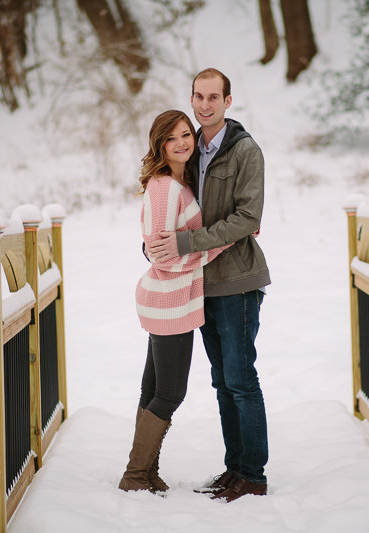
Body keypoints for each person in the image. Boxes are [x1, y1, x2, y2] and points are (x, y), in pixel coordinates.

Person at [149, 68, 271, 502]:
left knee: (241, 379)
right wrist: (154, 245)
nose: (205, 105)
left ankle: (253, 476)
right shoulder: (190, 150)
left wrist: (182, 243)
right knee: (222, 382)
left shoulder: (245, 151)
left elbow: (247, 218)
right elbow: (171, 209)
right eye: (198, 96)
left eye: (213, 97)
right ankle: (234, 468)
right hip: (201, 281)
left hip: (237, 279)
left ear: (228, 100)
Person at [119, 109, 230, 493]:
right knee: (170, 393)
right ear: (160, 146)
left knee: (152, 390)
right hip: (169, 302)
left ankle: (144, 472)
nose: (182, 142)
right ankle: (135, 475)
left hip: (168, 301)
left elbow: (162, 247)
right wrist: (223, 242)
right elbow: (162, 253)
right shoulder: (166, 187)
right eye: (171, 138)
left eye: (186, 134)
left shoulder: (178, 185)